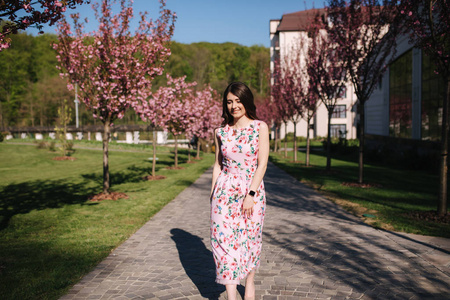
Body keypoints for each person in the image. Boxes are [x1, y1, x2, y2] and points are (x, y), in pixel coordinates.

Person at [210, 82, 269, 300]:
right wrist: (212, 194)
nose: (234, 106)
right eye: (229, 101)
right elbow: (217, 164)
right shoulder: (220, 132)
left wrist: (251, 195)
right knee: (223, 243)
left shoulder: (260, 127)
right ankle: (231, 296)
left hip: (251, 192)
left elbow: (262, 164)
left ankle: (249, 284)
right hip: (224, 193)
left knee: (250, 240)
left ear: (246, 101)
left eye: (237, 100)